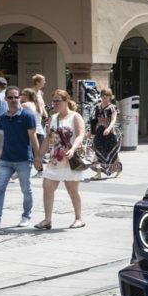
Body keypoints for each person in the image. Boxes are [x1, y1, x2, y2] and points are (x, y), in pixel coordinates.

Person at [0, 86, 43, 229]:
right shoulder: (3, 118)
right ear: (5, 99)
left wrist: (37, 157)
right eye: (10, 97)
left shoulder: (27, 116)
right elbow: (3, 137)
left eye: (16, 97)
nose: (13, 100)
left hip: (23, 159)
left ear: (20, 97)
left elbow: (33, 138)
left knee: (26, 190)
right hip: (6, 160)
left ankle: (26, 216)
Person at [35, 90, 86, 230]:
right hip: (55, 160)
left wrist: (73, 148)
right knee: (47, 187)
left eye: (58, 101)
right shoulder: (53, 118)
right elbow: (48, 139)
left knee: (72, 191)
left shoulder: (75, 116)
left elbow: (81, 135)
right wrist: (39, 156)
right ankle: (47, 220)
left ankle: (78, 218)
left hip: (70, 160)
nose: (55, 104)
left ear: (66, 101)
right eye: (54, 101)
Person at [91, 87, 121, 179]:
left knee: (112, 153)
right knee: (98, 152)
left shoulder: (112, 107)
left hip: (109, 133)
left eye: (107, 95)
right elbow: (94, 120)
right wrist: (91, 132)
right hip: (99, 132)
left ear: (110, 96)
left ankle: (117, 168)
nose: (104, 96)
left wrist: (108, 128)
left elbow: (113, 120)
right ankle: (98, 173)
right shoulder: (97, 107)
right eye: (103, 94)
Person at [19, 88, 46, 171]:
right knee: (37, 154)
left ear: (26, 96)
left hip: (30, 131)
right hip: (40, 131)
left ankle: (21, 170)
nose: (20, 96)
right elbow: (45, 116)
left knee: (25, 152)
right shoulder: (38, 105)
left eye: (22, 94)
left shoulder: (25, 105)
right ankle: (40, 171)